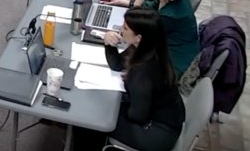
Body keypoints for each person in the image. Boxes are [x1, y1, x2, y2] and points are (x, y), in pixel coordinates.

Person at [76, 8, 185, 151]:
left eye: (125, 27)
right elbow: (117, 65)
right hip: (161, 117)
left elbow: (137, 115)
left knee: (91, 120)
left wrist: (123, 96)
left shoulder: (144, 72)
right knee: (100, 108)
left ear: (138, 37)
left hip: (155, 133)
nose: (121, 29)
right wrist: (109, 44)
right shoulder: (147, 48)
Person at [100, 0, 200, 77]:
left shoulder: (168, 17)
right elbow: (148, 9)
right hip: (175, 47)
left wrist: (108, 41)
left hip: (172, 66)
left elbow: (117, 63)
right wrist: (122, 2)